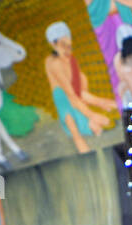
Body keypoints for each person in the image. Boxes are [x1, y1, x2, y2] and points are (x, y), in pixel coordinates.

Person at [45, 21, 119, 154]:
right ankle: (85, 136)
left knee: (104, 115)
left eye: (68, 42)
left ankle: (100, 114)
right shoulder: (53, 63)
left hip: (77, 96)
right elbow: (70, 94)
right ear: (53, 44)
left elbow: (80, 87)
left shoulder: (70, 58)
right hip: (64, 98)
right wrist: (92, 115)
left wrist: (99, 102)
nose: (67, 47)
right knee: (75, 128)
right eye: (62, 44)